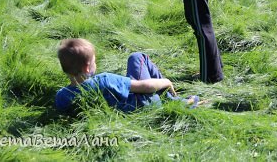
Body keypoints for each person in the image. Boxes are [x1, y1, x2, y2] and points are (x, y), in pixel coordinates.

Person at [55, 38, 198, 114]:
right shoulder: (104, 80)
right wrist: (166, 82)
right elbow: (146, 86)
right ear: (87, 67)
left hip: (122, 113)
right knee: (137, 57)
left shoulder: (61, 97)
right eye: (94, 61)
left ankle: (172, 99)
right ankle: (176, 100)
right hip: (144, 104)